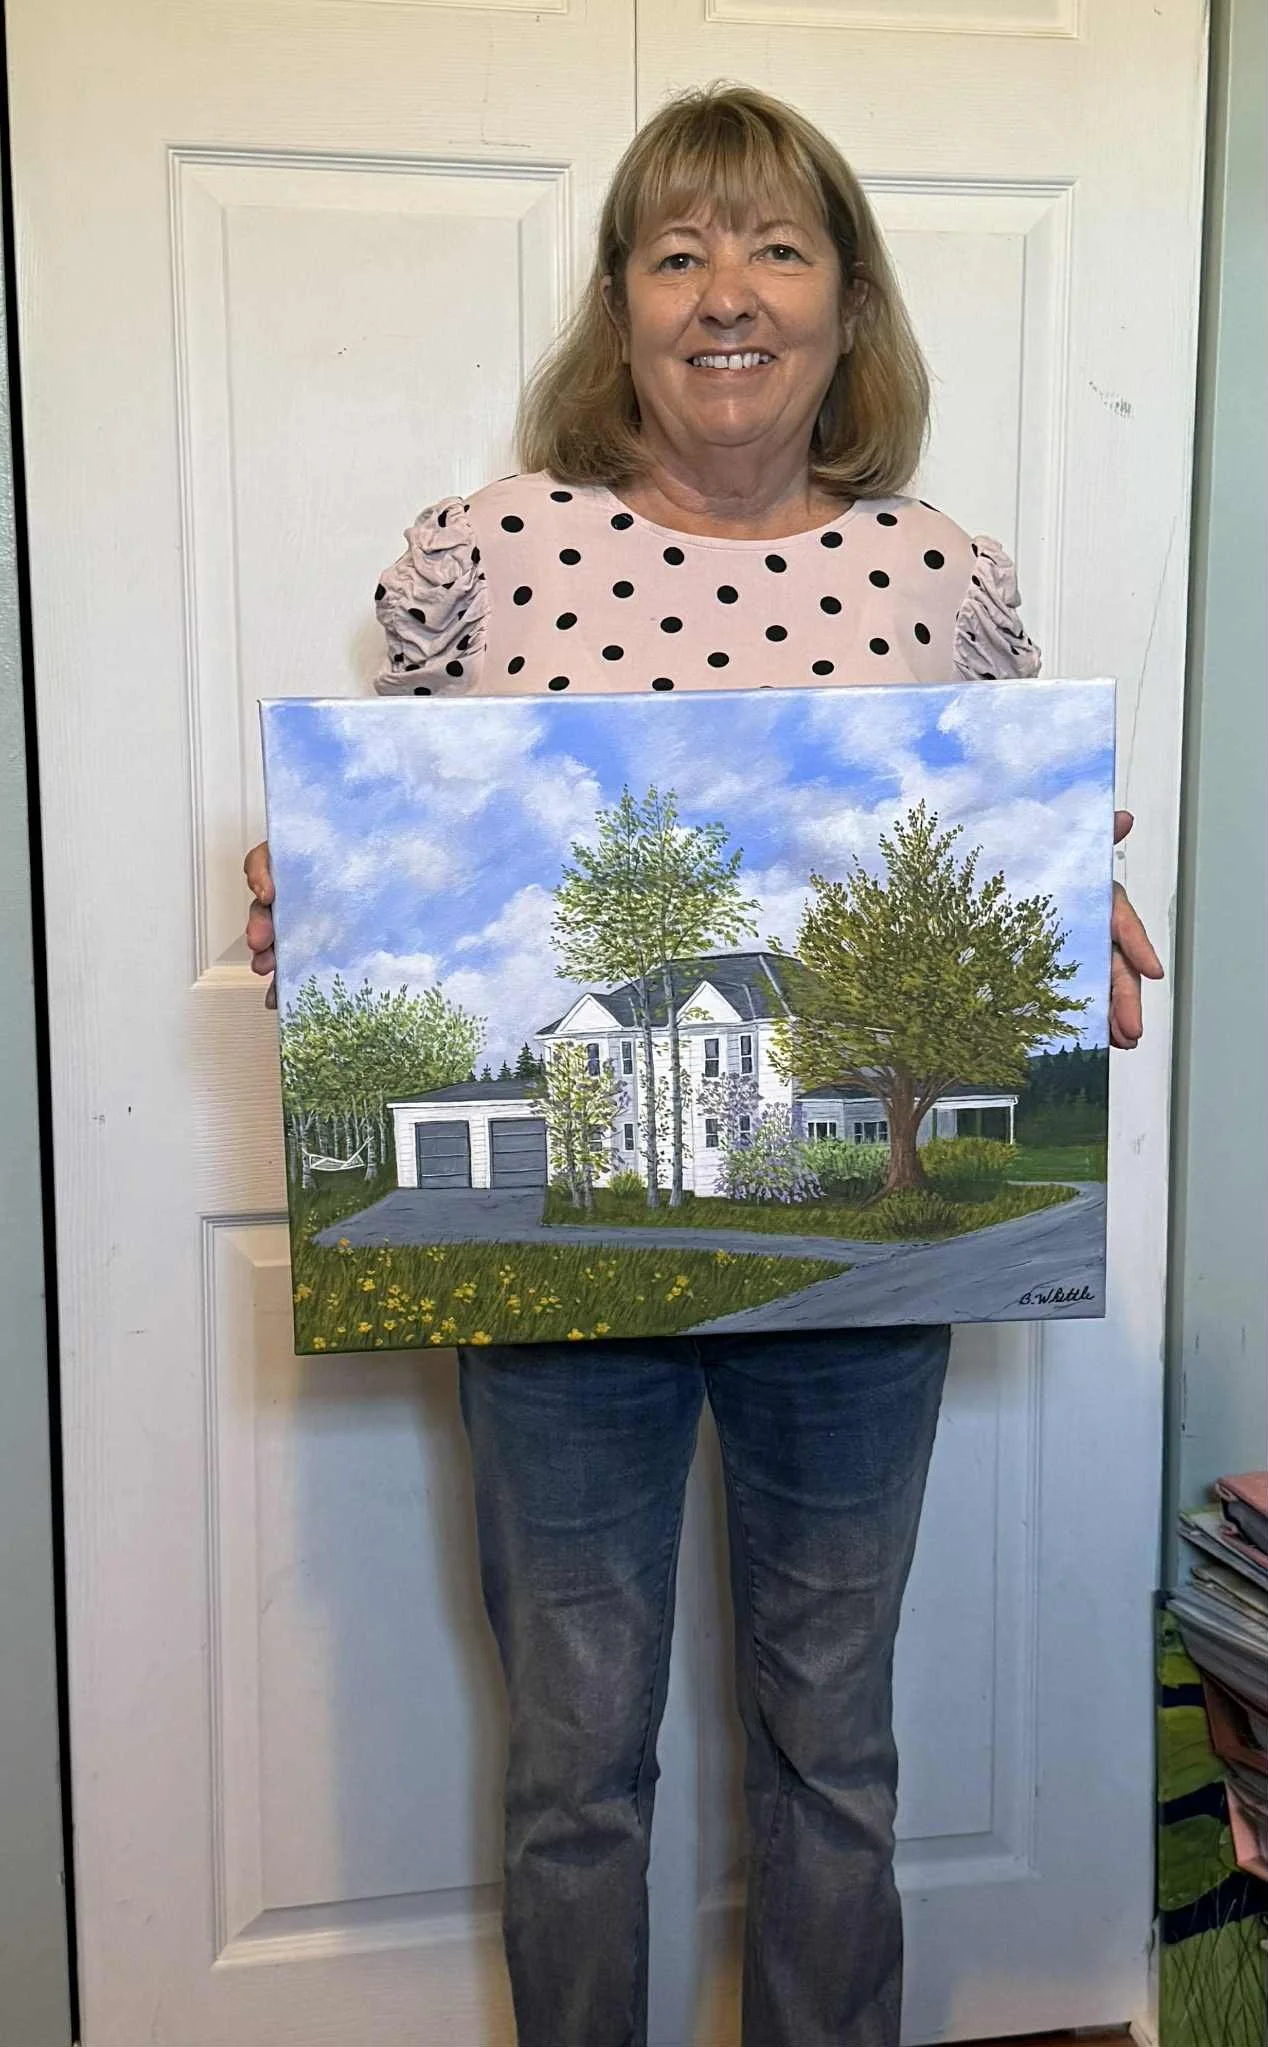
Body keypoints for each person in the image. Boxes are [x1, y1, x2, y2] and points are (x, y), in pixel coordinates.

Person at [244, 84, 1163, 2047]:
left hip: (853, 1294)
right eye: (674, 250)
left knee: (833, 1738)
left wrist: (1078, 914)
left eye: (772, 245)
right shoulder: (495, 547)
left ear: (846, 305)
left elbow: (1005, 850)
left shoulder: (939, 575)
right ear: (619, 308)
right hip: (563, 1307)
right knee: (576, 1760)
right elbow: (397, 826)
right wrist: (309, 900)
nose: (723, 290)